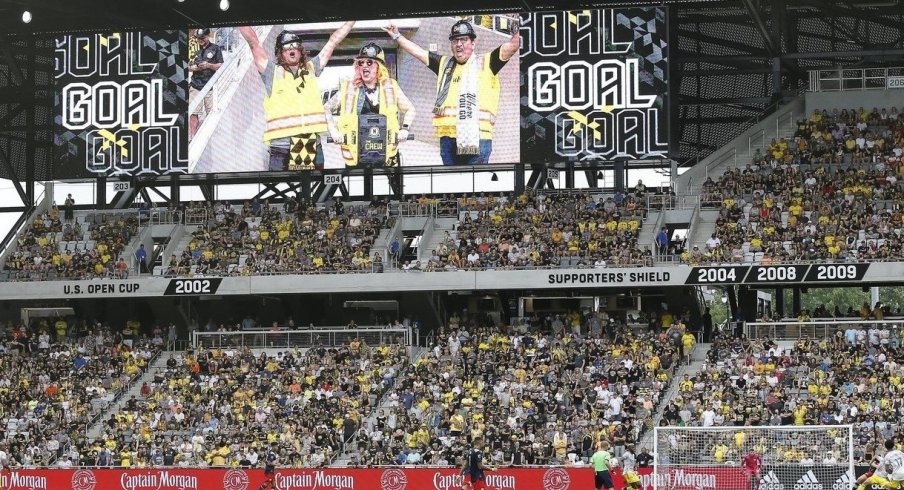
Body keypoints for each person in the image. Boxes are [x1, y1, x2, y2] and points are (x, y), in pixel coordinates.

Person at [383, 18, 519, 165]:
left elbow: (513, 45)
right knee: (452, 183)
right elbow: (418, 52)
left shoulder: (487, 62)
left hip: (477, 138)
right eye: (454, 41)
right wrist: (397, 36)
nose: (458, 44)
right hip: (447, 139)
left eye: (463, 40)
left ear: (473, 43)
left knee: (475, 185)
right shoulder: (443, 64)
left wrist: (522, 24)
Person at [239, 22, 355, 171]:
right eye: (287, 47)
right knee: (278, 189)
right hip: (280, 145)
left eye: (295, 46)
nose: (291, 50)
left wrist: (354, 17)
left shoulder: (311, 69)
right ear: (280, 53)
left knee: (311, 189)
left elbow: (333, 41)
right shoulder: (271, 72)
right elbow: (253, 42)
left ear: (301, 51)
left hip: (308, 141)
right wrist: (235, 17)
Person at [325, 43, 415, 168]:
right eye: (361, 63)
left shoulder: (391, 86)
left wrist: (404, 129)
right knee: (354, 186)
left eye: (369, 62)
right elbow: (327, 108)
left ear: (379, 67)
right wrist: (334, 131)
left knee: (397, 187)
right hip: (355, 153)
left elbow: (410, 109)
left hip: (387, 153)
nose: (364, 66)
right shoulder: (348, 88)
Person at [188, 28, 224, 140]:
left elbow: (220, 65)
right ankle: (192, 137)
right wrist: (194, 68)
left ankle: (210, 138)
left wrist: (209, 65)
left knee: (211, 115)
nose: (200, 40)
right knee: (193, 113)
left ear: (208, 36)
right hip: (195, 86)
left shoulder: (215, 48)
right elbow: (187, 66)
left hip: (210, 87)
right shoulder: (193, 48)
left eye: (202, 38)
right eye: (198, 38)